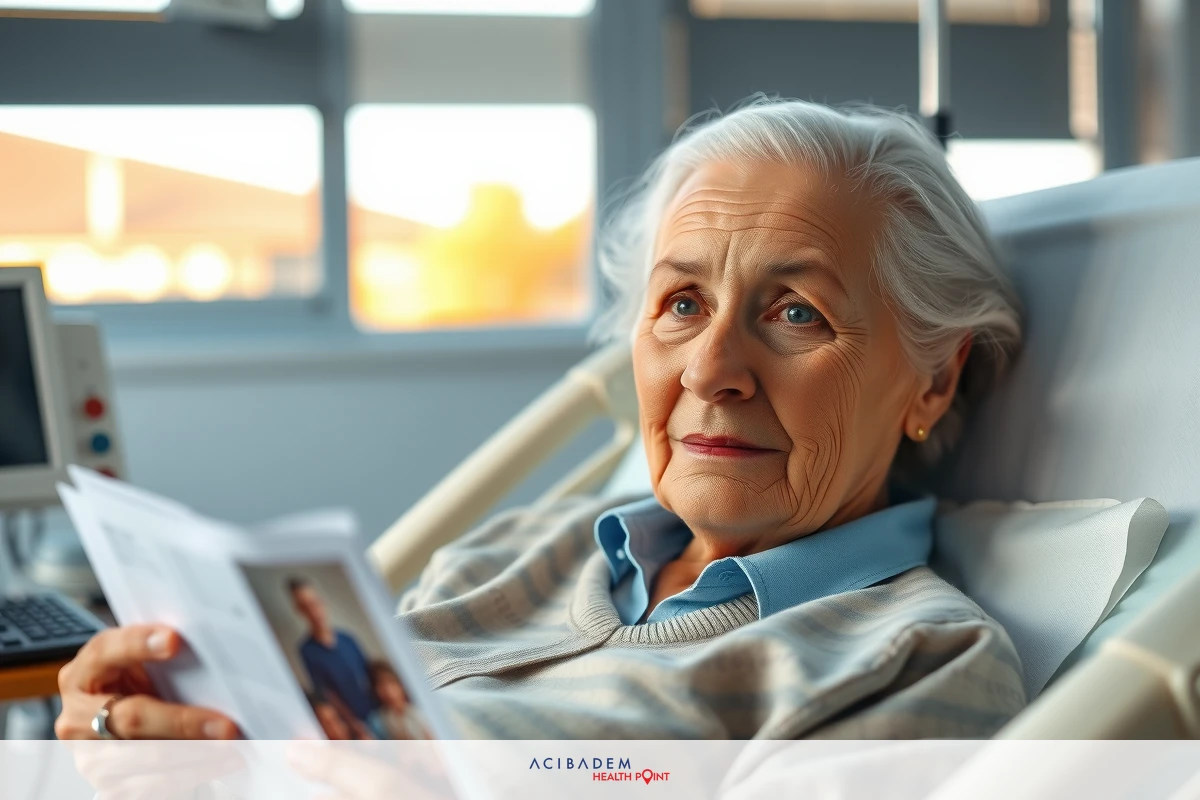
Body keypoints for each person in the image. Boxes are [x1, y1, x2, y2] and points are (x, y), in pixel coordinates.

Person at [54, 97, 1027, 741]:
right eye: (682, 303)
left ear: (933, 381)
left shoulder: (918, 661)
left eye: (796, 313)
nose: (713, 369)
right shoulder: (513, 551)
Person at [286, 577, 386, 740]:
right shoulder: (307, 651)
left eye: (314, 603)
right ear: (299, 610)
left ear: (322, 602)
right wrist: (354, 725)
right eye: (306, 607)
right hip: (354, 727)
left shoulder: (348, 639)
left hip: (379, 715)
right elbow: (327, 694)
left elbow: (371, 677)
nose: (313, 611)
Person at [367, 660, 431, 740]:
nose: (387, 690)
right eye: (380, 685)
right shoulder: (379, 722)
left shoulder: (421, 710)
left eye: (391, 682)